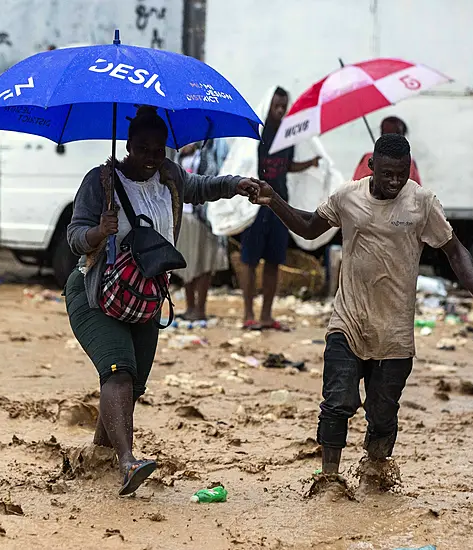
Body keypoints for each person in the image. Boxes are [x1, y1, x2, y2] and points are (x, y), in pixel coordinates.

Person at [248, 133, 473, 490]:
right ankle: (329, 481)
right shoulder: (348, 197)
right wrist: (273, 201)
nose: (395, 182)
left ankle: (375, 476)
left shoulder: (422, 203)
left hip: (394, 333)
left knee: (382, 415)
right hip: (348, 322)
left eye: (402, 174)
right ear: (372, 167)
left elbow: (455, 251)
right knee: (336, 403)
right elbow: (307, 227)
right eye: (388, 174)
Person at [65, 106, 261, 495]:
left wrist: (238, 184)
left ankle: (98, 459)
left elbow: (202, 187)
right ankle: (127, 462)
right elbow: (74, 236)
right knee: (118, 370)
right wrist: (98, 234)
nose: (151, 157)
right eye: (143, 149)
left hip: (146, 295)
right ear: (127, 145)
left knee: (132, 383)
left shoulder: (169, 177)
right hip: (96, 292)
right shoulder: (100, 182)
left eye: (158, 150)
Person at [240, 87, 320, 330]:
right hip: (255, 203)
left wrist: (312, 163)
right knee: (249, 259)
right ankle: (248, 314)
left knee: (274, 259)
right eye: (277, 105)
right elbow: (245, 160)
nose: (281, 110)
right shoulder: (257, 133)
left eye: (284, 106)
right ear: (269, 104)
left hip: (279, 204)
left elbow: (287, 166)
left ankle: (266, 314)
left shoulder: (288, 135)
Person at [175, 138, 232, 321]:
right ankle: (190, 307)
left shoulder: (213, 148)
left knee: (204, 261)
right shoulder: (180, 153)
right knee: (187, 261)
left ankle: (200, 308)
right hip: (185, 214)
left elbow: (216, 174)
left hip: (205, 216)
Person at [352, 116, 421, 185]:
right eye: (386, 133)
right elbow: (355, 187)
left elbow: (418, 192)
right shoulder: (368, 159)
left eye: (397, 133)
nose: (391, 138)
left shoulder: (410, 164)